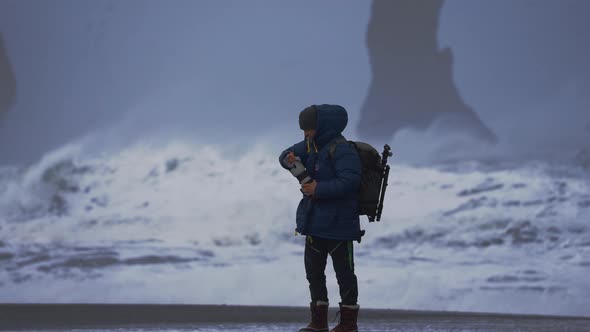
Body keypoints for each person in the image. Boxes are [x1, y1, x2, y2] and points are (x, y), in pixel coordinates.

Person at [279, 104, 363, 332]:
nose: (305, 134)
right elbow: (283, 156)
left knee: (344, 276)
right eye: (304, 130)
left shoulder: (343, 150)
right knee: (314, 274)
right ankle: (318, 323)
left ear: (322, 126)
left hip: (340, 226)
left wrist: (318, 189)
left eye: (309, 129)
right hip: (314, 223)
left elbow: (350, 182)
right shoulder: (310, 145)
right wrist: (290, 161)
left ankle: (348, 324)